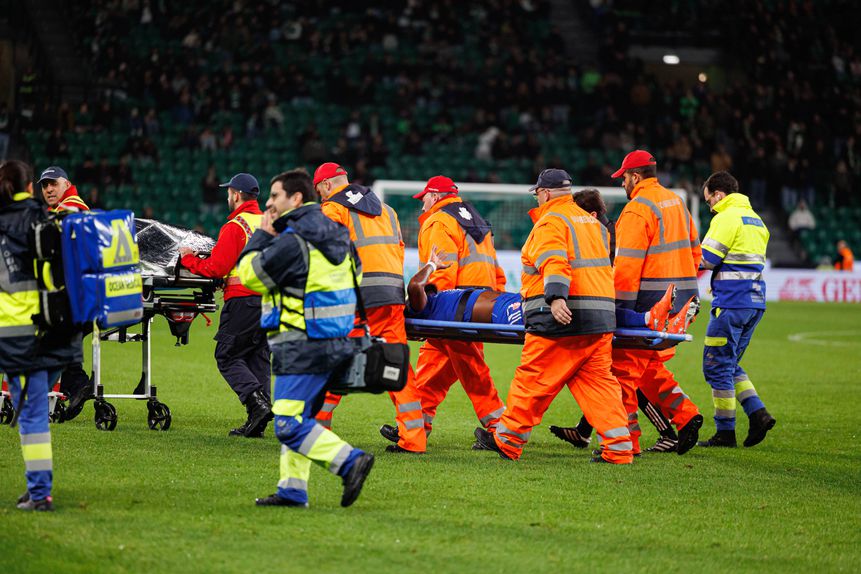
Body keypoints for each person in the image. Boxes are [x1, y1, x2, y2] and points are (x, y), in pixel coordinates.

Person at [472, 168, 633, 463]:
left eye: (537, 195)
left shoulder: (551, 221)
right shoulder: (594, 223)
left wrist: (556, 297)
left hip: (561, 318)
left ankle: (507, 439)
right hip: (600, 319)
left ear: (545, 193)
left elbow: (554, 260)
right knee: (599, 385)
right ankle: (620, 447)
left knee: (533, 378)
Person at [237, 169, 374, 508]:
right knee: (301, 418)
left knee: (286, 424)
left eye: (274, 196)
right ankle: (292, 489)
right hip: (334, 340)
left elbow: (250, 277)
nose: (268, 204)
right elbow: (356, 275)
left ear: (296, 199)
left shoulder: (292, 239)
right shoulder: (339, 234)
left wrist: (261, 236)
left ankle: (349, 461)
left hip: (301, 343)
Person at [312, 162, 426, 454]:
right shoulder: (387, 210)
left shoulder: (332, 209)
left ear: (326, 186)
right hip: (390, 295)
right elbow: (398, 252)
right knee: (397, 363)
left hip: (357, 298)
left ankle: (316, 429)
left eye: (319, 191)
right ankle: (414, 439)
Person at [0, 160, 83, 511]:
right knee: (34, 411)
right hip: (56, 330)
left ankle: (39, 492)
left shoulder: (6, 223)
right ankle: (37, 487)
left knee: (32, 415)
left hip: (18, 334)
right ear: (31, 188)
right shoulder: (48, 219)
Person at [611, 150, 704, 455]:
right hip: (681, 301)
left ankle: (628, 441)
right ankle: (686, 415)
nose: (623, 184)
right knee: (649, 366)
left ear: (635, 177)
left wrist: (618, 311)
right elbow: (696, 254)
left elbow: (626, 267)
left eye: (624, 178)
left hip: (650, 305)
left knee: (623, 370)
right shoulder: (675, 202)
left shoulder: (637, 210)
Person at [406, 175, 507, 447]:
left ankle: (499, 427)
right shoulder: (475, 219)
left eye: (425, 198)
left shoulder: (438, 221)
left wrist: (429, 311)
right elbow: (497, 270)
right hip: (481, 301)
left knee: (468, 364)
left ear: (436, 197)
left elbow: (443, 271)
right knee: (435, 361)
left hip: (456, 304)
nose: (422, 204)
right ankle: (416, 424)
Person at [179, 173, 271, 438]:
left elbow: (216, 267)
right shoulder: (268, 222)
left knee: (227, 355)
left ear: (237, 194)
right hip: (269, 300)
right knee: (258, 356)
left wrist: (188, 260)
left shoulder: (236, 226)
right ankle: (259, 420)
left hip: (243, 300)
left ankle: (256, 405)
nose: (227, 196)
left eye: (229, 192)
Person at [697, 172, 775, 447]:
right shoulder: (757, 220)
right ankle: (758, 414)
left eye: (709, 202)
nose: (710, 208)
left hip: (730, 303)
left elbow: (705, 259)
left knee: (716, 365)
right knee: (729, 363)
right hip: (753, 303)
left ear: (718, 194)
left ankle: (725, 432)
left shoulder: (726, 218)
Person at [36, 166, 91, 422]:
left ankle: (74, 385)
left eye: (52, 184)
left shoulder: (72, 208)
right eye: (44, 185)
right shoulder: (65, 208)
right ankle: (76, 385)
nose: (48, 189)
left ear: (66, 184)